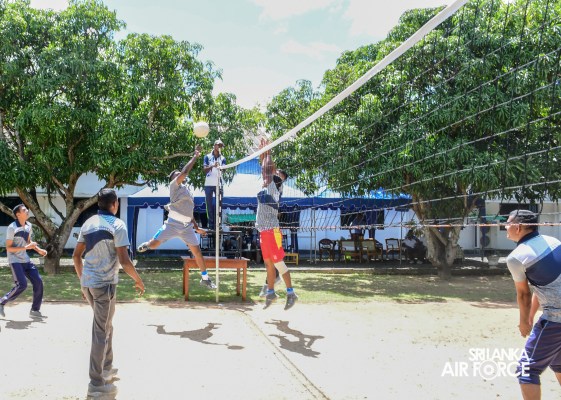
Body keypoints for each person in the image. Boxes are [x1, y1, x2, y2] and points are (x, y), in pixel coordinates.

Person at [73, 188, 145, 398]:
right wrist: (138, 280)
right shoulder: (118, 225)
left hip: (89, 284)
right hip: (104, 286)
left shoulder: (88, 223)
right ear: (115, 204)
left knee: (106, 326)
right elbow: (124, 260)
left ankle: (106, 368)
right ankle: (96, 384)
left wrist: (83, 281)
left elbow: (76, 256)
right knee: (101, 331)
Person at [137, 146, 216, 289]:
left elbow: (189, 213)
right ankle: (147, 244)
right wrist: (195, 156)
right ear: (174, 179)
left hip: (187, 227)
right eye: (177, 174)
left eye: (180, 174)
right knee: (154, 244)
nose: (181, 175)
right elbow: (185, 172)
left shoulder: (188, 191)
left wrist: (197, 228)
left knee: (197, 252)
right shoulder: (173, 186)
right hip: (172, 224)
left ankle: (205, 278)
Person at [504, 209, 561, 400]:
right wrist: (530, 316)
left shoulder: (516, 257)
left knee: (527, 369)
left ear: (518, 227)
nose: (505, 226)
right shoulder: (553, 242)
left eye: (508, 223)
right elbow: (544, 285)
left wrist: (524, 323)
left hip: (556, 320)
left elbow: (524, 294)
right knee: (559, 363)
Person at [256, 138, 297, 310]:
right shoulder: (268, 184)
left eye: (276, 172)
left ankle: (291, 293)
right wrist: (263, 153)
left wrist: (268, 151)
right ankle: (271, 292)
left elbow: (267, 169)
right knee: (268, 264)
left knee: (279, 263)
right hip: (263, 231)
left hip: (272, 230)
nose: (273, 172)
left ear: (279, 178)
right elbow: (265, 168)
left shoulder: (275, 185)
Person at [0, 204, 48, 319]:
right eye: (24, 210)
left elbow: (28, 241)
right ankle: (2, 302)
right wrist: (26, 247)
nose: (27, 210)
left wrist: (39, 250)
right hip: (15, 260)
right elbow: (9, 248)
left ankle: (35, 310)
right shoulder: (12, 228)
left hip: (25, 259)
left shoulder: (28, 225)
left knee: (38, 282)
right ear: (18, 214)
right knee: (22, 284)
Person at [203, 139, 226, 230]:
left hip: (219, 184)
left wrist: (221, 167)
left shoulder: (223, 158)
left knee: (219, 205)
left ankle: (218, 225)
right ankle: (211, 225)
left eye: (221, 146)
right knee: (209, 205)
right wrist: (212, 165)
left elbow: (224, 169)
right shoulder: (207, 157)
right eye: (218, 145)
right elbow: (204, 170)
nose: (219, 147)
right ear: (214, 145)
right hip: (208, 184)